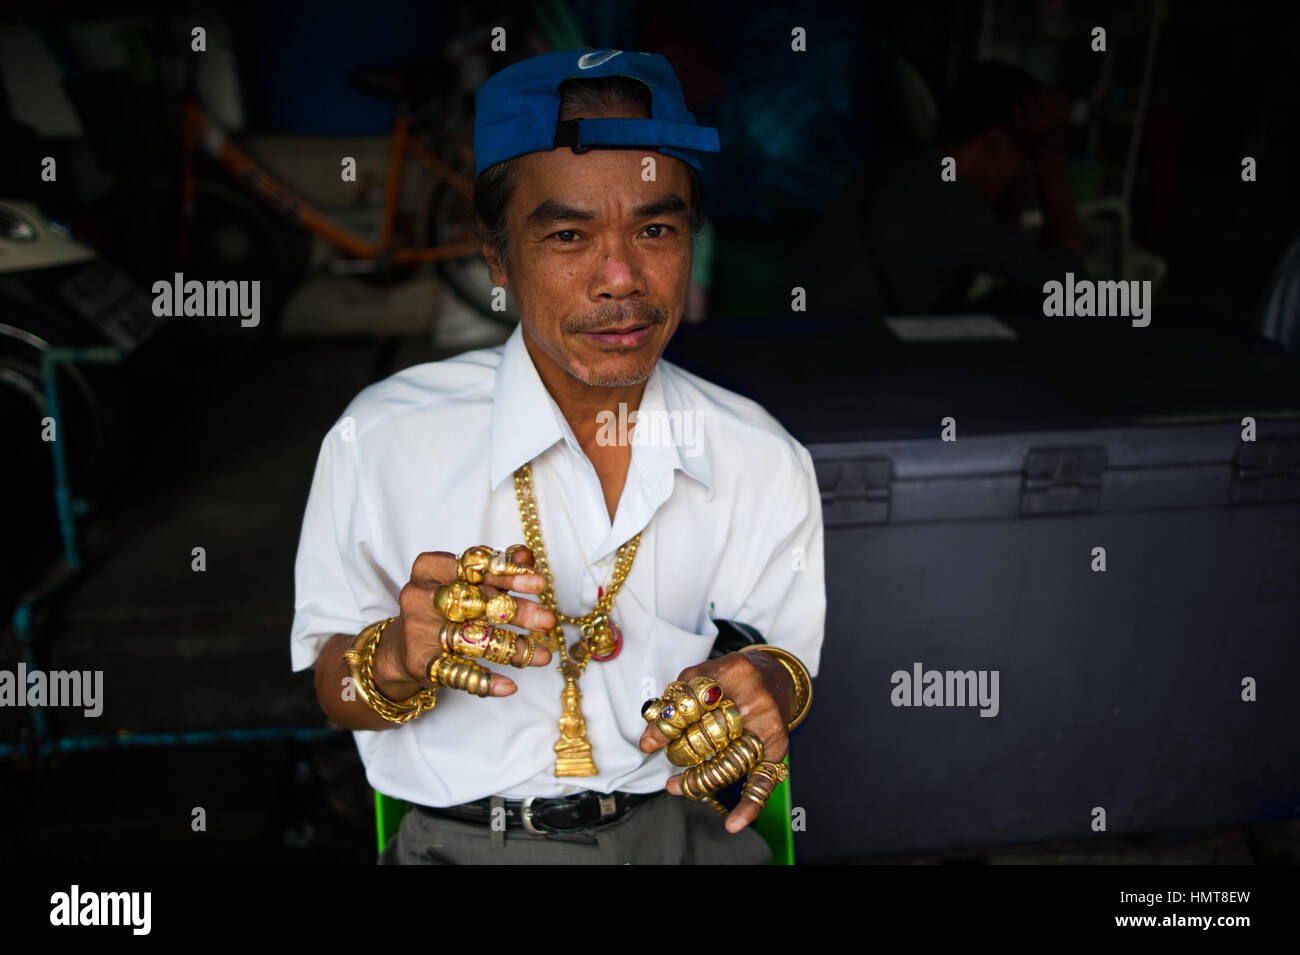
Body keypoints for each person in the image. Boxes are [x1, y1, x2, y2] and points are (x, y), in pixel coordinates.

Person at [290, 49, 825, 865]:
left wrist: (762, 685)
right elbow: (335, 689)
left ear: (691, 244)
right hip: (464, 844)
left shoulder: (760, 456)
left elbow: (782, 662)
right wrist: (397, 657)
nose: (620, 278)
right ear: (498, 258)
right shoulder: (383, 440)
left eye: (655, 229)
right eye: (569, 235)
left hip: (682, 833)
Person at [799, 61, 1087, 318]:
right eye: (1023, 161)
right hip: (835, 358)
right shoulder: (947, 203)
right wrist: (1050, 153)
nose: (1020, 174)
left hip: (818, 343)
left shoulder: (914, 170)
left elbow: (1000, 248)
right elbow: (1069, 287)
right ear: (992, 145)